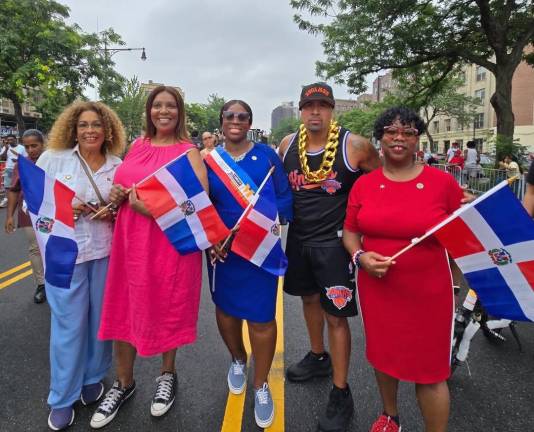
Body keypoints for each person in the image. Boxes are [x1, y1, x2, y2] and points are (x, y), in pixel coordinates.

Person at [343, 106, 464, 432]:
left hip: (429, 292)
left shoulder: (442, 183)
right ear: (380, 138)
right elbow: (351, 232)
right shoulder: (364, 185)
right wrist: (360, 258)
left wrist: (457, 285)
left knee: (431, 371)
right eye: (391, 132)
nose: (399, 138)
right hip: (378, 289)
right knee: (384, 356)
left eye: (408, 132)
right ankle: (390, 415)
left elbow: (462, 238)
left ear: (417, 140)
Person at [92, 86, 206, 428]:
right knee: (124, 306)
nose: (164, 111)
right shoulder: (137, 146)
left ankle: (166, 375)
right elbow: (125, 188)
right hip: (130, 242)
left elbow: (197, 204)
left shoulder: (189, 152)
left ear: (180, 112)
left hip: (170, 244)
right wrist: (116, 194)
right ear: (149, 111)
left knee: (167, 306)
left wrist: (149, 207)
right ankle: (124, 382)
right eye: (158, 105)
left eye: (171, 105)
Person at [278, 82, 380, 432]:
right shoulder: (288, 144)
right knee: (308, 299)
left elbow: (382, 185)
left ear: (332, 109)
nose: (315, 111)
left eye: (322, 105)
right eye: (309, 106)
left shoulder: (356, 146)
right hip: (300, 239)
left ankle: (341, 391)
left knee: (336, 316)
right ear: (302, 110)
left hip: (335, 245)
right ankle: (318, 356)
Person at [35, 101, 125, 431]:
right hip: (64, 256)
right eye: (84, 125)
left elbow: (126, 212)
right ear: (74, 129)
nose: (90, 130)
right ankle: (61, 397)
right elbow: (37, 205)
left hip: (105, 254)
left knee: (99, 323)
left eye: (96, 125)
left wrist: (113, 211)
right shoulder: (53, 159)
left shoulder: (117, 165)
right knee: (68, 327)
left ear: (108, 131)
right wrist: (62, 209)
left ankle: (91, 378)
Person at [206, 100, 292, 428]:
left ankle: (261, 382)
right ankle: (238, 359)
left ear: (250, 122)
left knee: (261, 317)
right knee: (226, 310)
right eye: (230, 116)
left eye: (242, 117)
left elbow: (283, 197)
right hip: (222, 249)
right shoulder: (211, 161)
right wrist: (211, 236)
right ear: (222, 122)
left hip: (259, 247)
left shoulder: (268, 157)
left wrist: (272, 222)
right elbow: (200, 202)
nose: (236, 121)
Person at [4, 129, 46, 303]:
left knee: (53, 247)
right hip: (29, 213)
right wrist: (10, 216)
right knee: (35, 248)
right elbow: (14, 190)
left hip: (51, 213)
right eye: (27, 147)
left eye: (34, 146)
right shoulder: (21, 164)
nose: (30, 150)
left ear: (43, 144)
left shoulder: (54, 161)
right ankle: (41, 285)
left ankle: (58, 282)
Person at [1, 134, 26, 205]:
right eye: (8, 140)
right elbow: (3, 158)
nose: (10, 141)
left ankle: (21, 199)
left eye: (11, 139)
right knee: (7, 185)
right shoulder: (6, 147)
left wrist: (18, 160)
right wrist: (6, 149)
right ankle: (6, 199)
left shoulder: (21, 148)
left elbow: (25, 158)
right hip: (9, 168)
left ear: (15, 139)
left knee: (20, 185)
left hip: (19, 168)